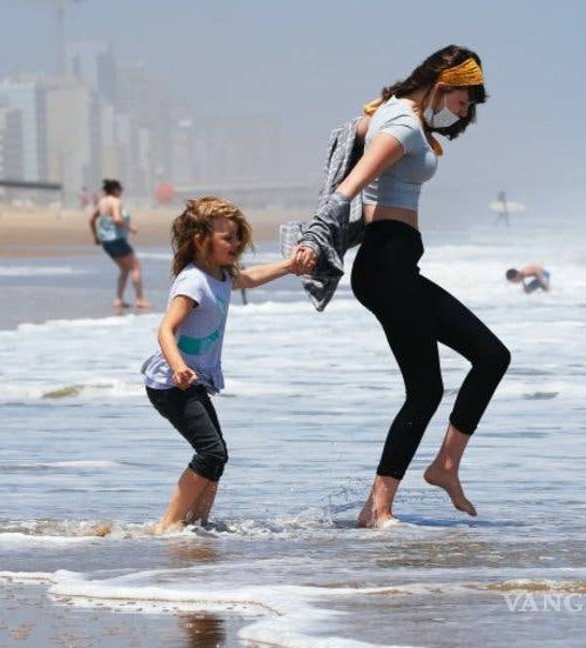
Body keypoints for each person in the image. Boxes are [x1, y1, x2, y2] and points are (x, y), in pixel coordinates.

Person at [294, 45, 511, 526]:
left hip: (394, 264)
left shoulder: (392, 112)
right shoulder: (403, 125)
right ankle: (381, 509)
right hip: (387, 263)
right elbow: (349, 185)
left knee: (487, 359)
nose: (466, 109)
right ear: (444, 82)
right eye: (465, 98)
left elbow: (362, 137)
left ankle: (442, 468)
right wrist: (315, 235)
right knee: (428, 388)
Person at [142, 196, 307, 533]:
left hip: (192, 381)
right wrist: (177, 367)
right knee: (211, 451)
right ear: (201, 241)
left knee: (217, 457)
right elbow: (165, 329)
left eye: (237, 237)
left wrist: (289, 266)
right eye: (226, 238)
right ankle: (169, 525)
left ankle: (196, 525)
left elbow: (249, 277)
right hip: (171, 384)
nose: (235, 244)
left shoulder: (218, 274)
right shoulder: (193, 281)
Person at [89, 179, 149, 309]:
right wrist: (130, 227)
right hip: (117, 240)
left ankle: (118, 299)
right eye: (120, 189)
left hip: (106, 242)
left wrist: (96, 236)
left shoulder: (101, 202)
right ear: (115, 190)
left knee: (124, 269)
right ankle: (140, 300)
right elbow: (117, 219)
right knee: (135, 267)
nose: (122, 192)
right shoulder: (115, 202)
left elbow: (91, 219)